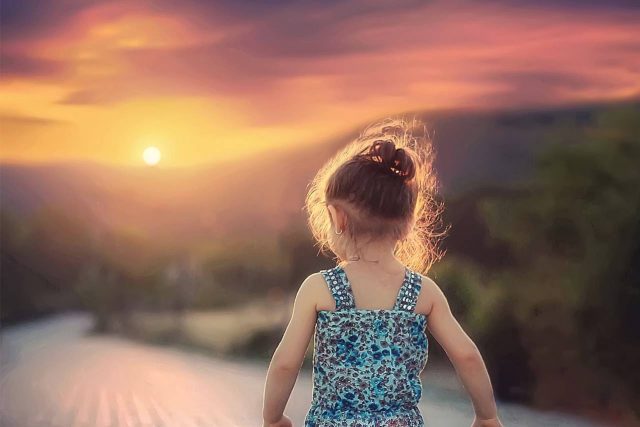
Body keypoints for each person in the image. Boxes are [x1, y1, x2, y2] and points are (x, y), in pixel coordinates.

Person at [262, 118, 503, 427]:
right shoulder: (423, 292)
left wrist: (272, 419)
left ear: (338, 218)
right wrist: (487, 416)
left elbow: (285, 364)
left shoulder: (319, 288)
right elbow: (467, 356)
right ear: (408, 223)